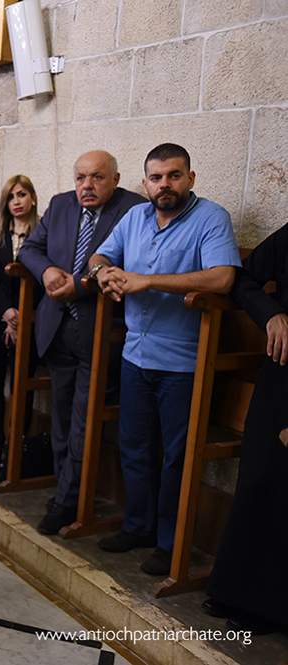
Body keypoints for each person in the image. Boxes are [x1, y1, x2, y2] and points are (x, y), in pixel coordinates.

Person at [90, 144, 240, 575]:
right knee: (134, 446)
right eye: (156, 178)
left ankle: (170, 543)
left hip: (184, 362)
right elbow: (100, 255)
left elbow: (223, 278)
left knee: (177, 456)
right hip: (135, 354)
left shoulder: (211, 217)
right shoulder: (135, 217)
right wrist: (103, 273)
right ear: (145, 183)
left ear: (191, 178)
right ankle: (137, 526)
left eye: (174, 176)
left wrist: (148, 281)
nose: (164, 185)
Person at [18, 150, 146, 535]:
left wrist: (81, 284)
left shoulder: (134, 209)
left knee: (82, 420)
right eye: (80, 178)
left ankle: (68, 501)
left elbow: (133, 265)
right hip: (57, 325)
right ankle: (64, 489)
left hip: (100, 328)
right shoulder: (60, 205)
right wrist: (46, 271)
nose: (86, 186)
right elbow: (30, 249)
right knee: (60, 416)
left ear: (115, 179)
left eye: (97, 177)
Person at [204, 220, 288, 633]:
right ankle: (238, 591)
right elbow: (242, 279)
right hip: (283, 370)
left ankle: (272, 607)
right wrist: (272, 314)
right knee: (259, 475)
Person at [0, 175, 41, 473]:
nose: (17, 201)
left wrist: (21, 314)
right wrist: (6, 311)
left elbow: (42, 278)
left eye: (22, 194)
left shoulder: (43, 234)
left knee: (21, 384)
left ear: (32, 198)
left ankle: (16, 445)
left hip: (29, 318)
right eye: (11, 197)